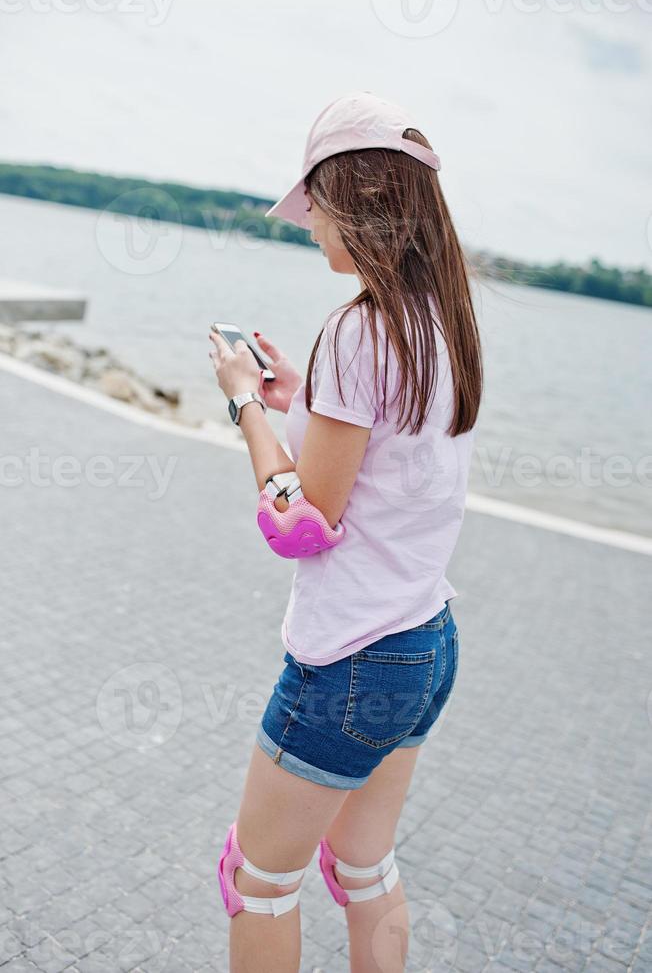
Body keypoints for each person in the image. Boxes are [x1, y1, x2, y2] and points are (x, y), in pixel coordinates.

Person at [208, 91, 483, 973]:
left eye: (315, 204)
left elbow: (303, 522)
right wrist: (302, 400)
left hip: (353, 661)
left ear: (354, 202)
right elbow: (379, 451)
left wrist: (245, 402)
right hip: (424, 641)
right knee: (363, 872)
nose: (309, 223)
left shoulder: (359, 330)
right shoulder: (440, 327)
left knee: (258, 882)